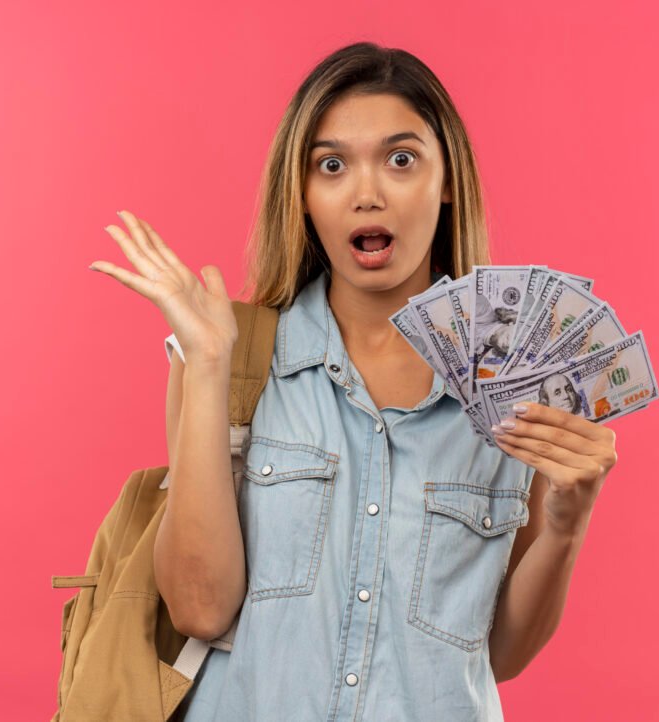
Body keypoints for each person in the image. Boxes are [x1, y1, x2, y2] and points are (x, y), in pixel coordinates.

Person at [89, 41, 619, 722]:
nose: (367, 194)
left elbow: (501, 653)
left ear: (447, 178)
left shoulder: (515, 381)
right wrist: (208, 369)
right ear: (303, 193)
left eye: (401, 160)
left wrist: (566, 528)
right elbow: (199, 607)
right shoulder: (229, 356)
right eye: (331, 165)